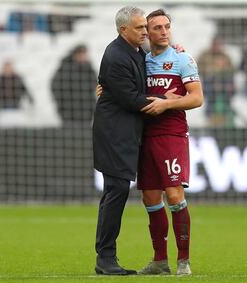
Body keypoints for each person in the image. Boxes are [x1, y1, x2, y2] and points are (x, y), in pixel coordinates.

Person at [92, 6, 175, 276]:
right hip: (115, 134)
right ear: (123, 29)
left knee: (116, 192)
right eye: (140, 28)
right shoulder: (116, 56)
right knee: (115, 193)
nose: (145, 32)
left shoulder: (135, 50)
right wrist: (168, 102)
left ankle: (106, 257)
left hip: (127, 133)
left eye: (144, 27)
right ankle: (105, 258)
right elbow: (132, 99)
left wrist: (177, 53)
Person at [137, 9, 203, 275]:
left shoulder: (182, 58)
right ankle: (160, 261)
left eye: (167, 27)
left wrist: (168, 104)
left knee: (174, 194)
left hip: (172, 134)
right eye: (157, 28)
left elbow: (197, 98)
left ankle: (183, 261)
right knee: (150, 197)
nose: (164, 32)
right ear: (147, 33)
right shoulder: (141, 60)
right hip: (144, 135)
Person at [51, 44, 97, 124]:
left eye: (84, 54)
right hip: (68, 112)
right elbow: (55, 86)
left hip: (86, 112)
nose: (83, 56)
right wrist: (62, 104)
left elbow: (95, 85)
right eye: (80, 54)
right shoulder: (65, 67)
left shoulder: (89, 69)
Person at [198, 36, 235, 127]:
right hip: (209, 85)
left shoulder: (225, 56)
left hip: (223, 85)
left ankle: (226, 114)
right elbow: (196, 68)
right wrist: (210, 70)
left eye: (218, 45)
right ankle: (210, 116)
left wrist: (223, 69)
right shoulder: (205, 55)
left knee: (227, 83)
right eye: (215, 44)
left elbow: (232, 70)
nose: (216, 46)